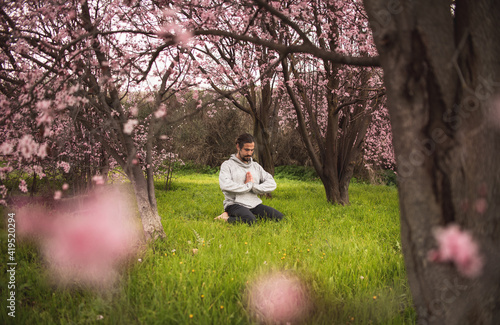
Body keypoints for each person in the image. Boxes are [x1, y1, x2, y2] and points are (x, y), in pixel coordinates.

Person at [215, 133, 283, 225]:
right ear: (238, 147)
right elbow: (225, 185)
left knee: (279, 217)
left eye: (252, 150)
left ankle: (239, 215)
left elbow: (272, 183)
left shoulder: (255, 166)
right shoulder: (227, 165)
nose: (250, 153)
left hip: (254, 204)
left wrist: (253, 186)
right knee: (251, 221)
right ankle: (224, 218)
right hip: (234, 204)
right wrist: (247, 185)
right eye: (246, 150)